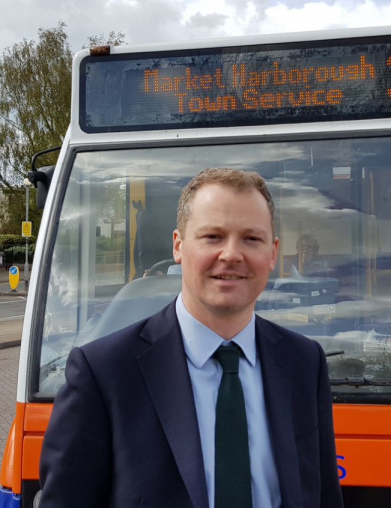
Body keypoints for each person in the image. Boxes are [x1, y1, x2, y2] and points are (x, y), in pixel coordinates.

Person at [39, 168, 343, 508]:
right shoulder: (103, 373)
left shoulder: (304, 362)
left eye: (251, 239)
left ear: (272, 253)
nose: (231, 254)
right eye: (213, 236)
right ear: (179, 246)